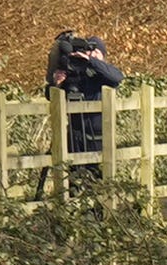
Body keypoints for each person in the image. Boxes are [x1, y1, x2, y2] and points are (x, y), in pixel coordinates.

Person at [42, 28, 114, 178]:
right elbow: (50, 95)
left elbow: (117, 78)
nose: (92, 55)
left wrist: (91, 61)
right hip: (75, 136)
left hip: (97, 138)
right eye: (90, 52)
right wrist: (57, 84)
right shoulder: (78, 73)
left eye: (97, 53)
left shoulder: (101, 74)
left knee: (97, 179)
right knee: (71, 180)